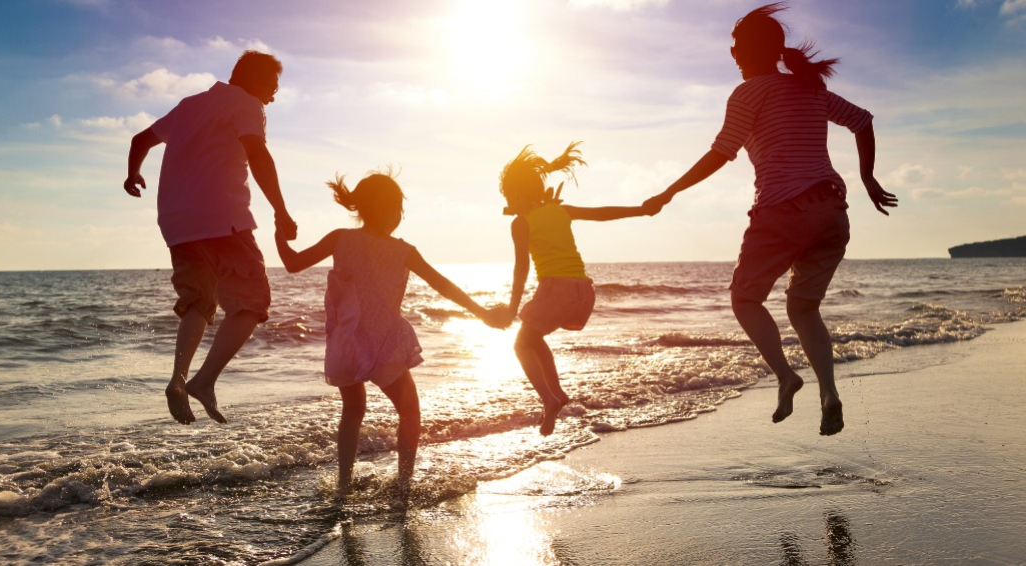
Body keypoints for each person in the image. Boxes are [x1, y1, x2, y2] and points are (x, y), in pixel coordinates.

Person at [643, 3, 898, 436]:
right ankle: (829, 393)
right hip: (833, 214)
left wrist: (669, 191)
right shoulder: (808, 88)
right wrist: (868, 179)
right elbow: (863, 121)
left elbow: (721, 153)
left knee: (744, 298)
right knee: (803, 307)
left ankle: (785, 376)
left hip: (783, 210)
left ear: (756, 51)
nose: (732, 53)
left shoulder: (749, 93)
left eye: (738, 46)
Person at [275, 171, 507, 495]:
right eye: (398, 207)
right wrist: (481, 313)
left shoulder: (340, 238)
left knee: (353, 411)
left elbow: (292, 263)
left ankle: (343, 485)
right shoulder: (403, 250)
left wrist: (278, 233)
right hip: (384, 344)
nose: (400, 214)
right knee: (409, 410)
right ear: (389, 210)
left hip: (347, 345)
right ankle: (404, 483)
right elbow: (443, 286)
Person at [123, 50, 298, 425]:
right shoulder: (247, 104)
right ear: (252, 79)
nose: (273, 95)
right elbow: (258, 152)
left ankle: (177, 379)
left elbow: (141, 140)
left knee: (199, 302)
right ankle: (203, 381)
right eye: (272, 85)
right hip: (224, 218)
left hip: (177, 224)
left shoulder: (189, 105)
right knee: (253, 303)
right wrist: (281, 211)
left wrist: (132, 174)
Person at [497, 142, 655, 436]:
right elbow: (602, 213)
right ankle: (556, 395)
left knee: (521, 345)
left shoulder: (521, 223)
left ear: (517, 195)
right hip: (583, 292)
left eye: (508, 196)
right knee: (534, 337)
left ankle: (549, 398)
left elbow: (521, 269)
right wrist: (641, 210)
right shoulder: (562, 211)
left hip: (555, 290)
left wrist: (510, 308)